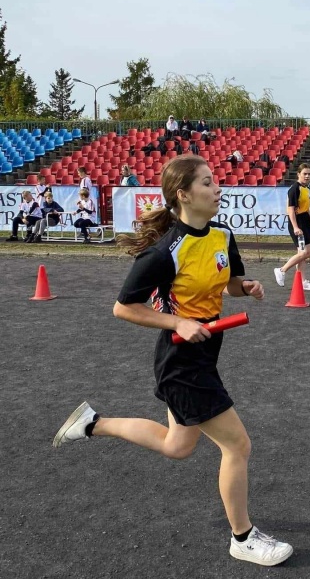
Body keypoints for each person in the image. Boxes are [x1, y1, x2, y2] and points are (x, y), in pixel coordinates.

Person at [52, 156, 293, 567]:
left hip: (205, 354)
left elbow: (229, 283)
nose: (218, 188)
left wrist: (246, 286)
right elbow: (123, 308)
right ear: (183, 194)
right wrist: (177, 321)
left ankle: (91, 423)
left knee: (177, 446)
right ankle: (243, 538)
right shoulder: (164, 252)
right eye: (207, 182)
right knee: (237, 445)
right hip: (181, 364)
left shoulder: (222, 235)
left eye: (215, 181)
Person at [274, 163, 310, 291]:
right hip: (297, 222)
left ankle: (302, 281)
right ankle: (281, 270)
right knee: (304, 252)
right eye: (305, 174)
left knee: (305, 254)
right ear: (298, 174)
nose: (307, 176)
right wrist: (295, 227)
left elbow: (307, 209)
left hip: (305, 221)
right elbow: (290, 210)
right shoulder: (294, 189)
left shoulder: (307, 189)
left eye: (309, 174)